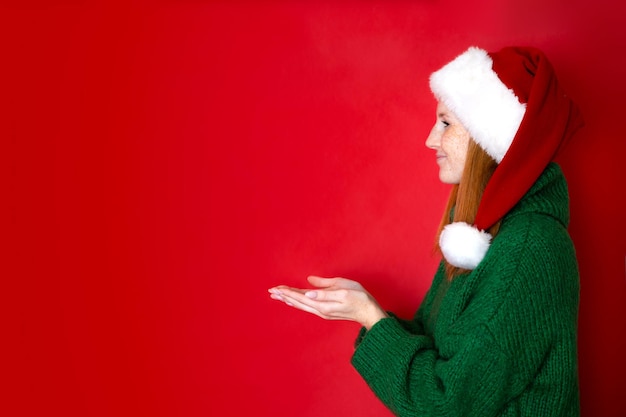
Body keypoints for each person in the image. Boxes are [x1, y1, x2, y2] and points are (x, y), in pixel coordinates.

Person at [268, 46, 583, 416]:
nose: (431, 140)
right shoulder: (484, 236)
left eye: (446, 123)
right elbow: (438, 349)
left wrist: (370, 317)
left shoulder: (530, 248)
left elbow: (446, 403)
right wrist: (362, 308)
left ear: (490, 137)